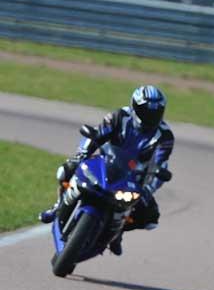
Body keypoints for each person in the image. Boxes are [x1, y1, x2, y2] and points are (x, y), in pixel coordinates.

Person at [39, 85, 174, 256]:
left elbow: (162, 164)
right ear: (134, 107)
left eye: (155, 112)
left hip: (134, 178)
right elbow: (96, 135)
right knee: (66, 170)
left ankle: (118, 232)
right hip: (105, 163)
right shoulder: (119, 116)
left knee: (150, 218)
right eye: (145, 111)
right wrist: (80, 156)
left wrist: (149, 188)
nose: (150, 116)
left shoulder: (165, 136)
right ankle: (57, 206)